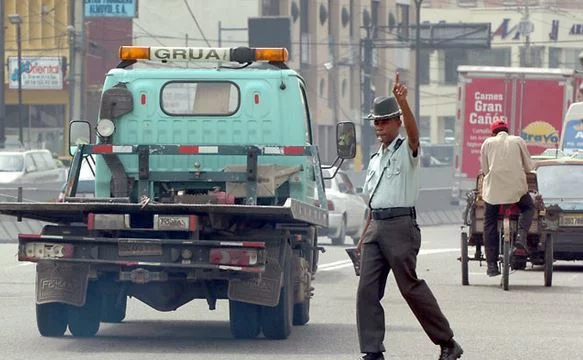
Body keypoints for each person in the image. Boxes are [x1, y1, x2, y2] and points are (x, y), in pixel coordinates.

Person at [355, 73, 463, 360]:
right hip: (376, 226)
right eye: (375, 121)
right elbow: (373, 198)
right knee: (366, 290)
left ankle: (448, 343)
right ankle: (372, 351)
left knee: (409, 288)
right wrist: (363, 235)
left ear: (397, 122)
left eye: (384, 120)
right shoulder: (375, 159)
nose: (378, 126)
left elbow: (415, 135)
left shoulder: (407, 149)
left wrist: (404, 103)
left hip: (401, 226)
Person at [479, 119, 535, 277]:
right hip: (516, 190)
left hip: (494, 192)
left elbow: (485, 170)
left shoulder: (487, 143)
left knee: (489, 223)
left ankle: (491, 266)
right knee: (528, 207)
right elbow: (528, 167)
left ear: (492, 133)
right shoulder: (518, 141)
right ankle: (521, 236)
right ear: (508, 131)